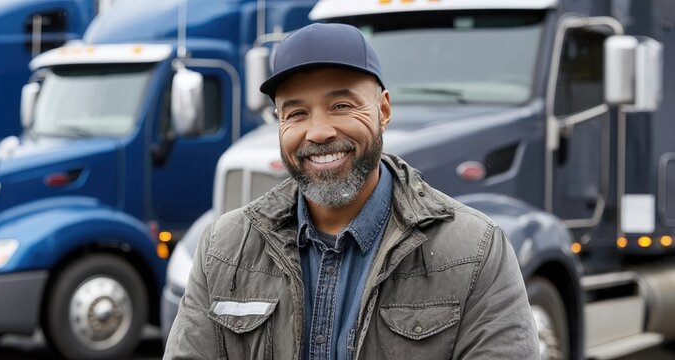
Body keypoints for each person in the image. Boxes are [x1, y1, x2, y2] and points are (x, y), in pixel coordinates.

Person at [164, 23, 538, 359]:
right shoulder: (223, 249)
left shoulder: (474, 251)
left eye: (341, 105)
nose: (319, 131)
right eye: (296, 113)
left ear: (384, 110)